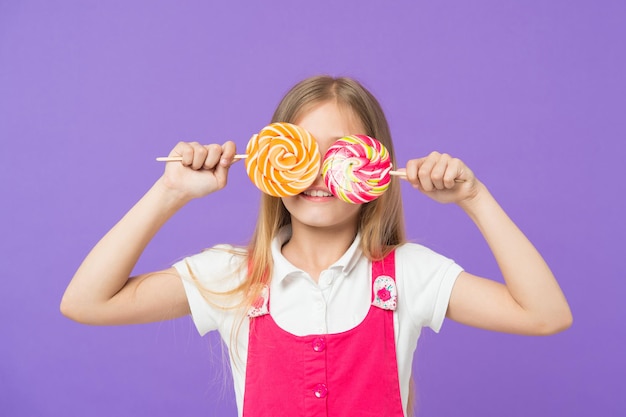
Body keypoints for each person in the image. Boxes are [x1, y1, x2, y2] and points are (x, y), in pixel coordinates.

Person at [61, 75, 572, 417]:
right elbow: (86, 302)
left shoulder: (408, 274)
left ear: (374, 169)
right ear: (272, 158)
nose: (319, 175)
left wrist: (474, 198)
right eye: (301, 152)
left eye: (341, 154)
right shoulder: (235, 276)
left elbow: (546, 314)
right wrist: (168, 193)